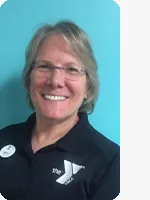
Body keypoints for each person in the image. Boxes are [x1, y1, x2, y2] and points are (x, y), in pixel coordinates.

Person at [0, 20, 120, 200]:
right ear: (29, 78)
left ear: (88, 88)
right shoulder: (4, 137)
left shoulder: (112, 163)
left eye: (72, 69)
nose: (55, 80)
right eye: (44, 66)